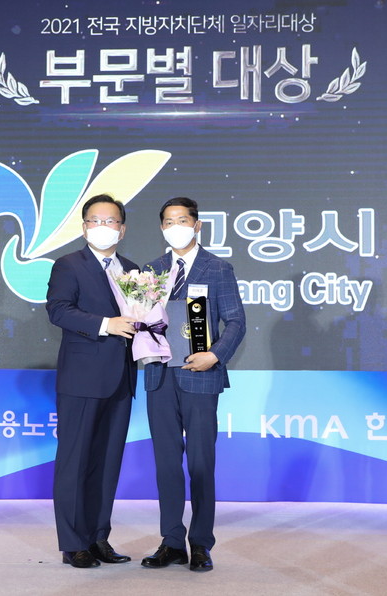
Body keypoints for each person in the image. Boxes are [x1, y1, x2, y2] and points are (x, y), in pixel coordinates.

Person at [140, 197, 246, 572]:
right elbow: (142, 319)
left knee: (201, 463)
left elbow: (236, 321)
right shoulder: (151, 270)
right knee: (166, 463)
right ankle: (171, 541)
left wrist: (213, 355)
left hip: (200, 374)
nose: (176, 227)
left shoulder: (217, 268)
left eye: (182, 220)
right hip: (160, 375)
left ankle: (200, 543)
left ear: (197, 225)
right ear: (162, 228)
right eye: (169, 222)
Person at [46, 194, 139, 569]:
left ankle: (99, 537)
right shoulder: (69, 265)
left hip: (121, 378)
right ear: (84, 227)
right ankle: (73, 543)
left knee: (107, 462)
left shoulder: (132, 271)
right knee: (75, 462)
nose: (103, 227)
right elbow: (59, 310)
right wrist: (106, 325)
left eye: (111, 221)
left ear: (122, 229)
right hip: (82, 378)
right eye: (95, 220)